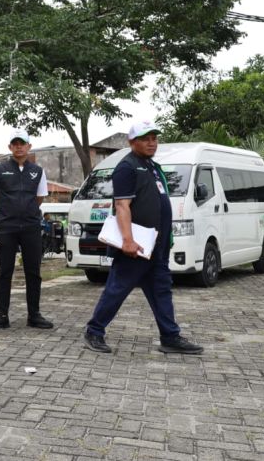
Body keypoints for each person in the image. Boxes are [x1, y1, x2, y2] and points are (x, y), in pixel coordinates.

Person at [84, 120, 203, 355]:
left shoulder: (152, 167)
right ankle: (94, 331)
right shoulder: (126, 167)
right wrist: (127, 240)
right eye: (146, 139)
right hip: (136, 245)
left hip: (156, 246)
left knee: (161, 290)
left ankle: (170, 337)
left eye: (154, 138)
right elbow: (122, 205)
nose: (151, 143)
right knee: (117, 289)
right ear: (132, 142)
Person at [0, 129, 53, 330]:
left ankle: (34, 315)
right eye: (15, 143)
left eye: (22, 143)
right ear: (10, 147)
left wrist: (27, 212)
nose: (19, 147)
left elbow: (39, 198)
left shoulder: (38, 171)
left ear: (29, 146)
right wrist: (7, 211)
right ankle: (1, 314)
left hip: (31, 226)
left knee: (34, 271)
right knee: (4, 271)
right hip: (7, 227)